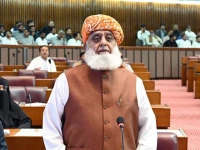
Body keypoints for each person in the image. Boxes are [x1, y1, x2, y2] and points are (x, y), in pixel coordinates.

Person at [43, 14, 157, 150]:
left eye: (109, 38)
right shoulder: (66, 80)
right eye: (96, 38)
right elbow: (51, 125)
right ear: (85, 45)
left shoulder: (134, 81)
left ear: (116, 45)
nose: (103, 42)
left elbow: (148, 126)